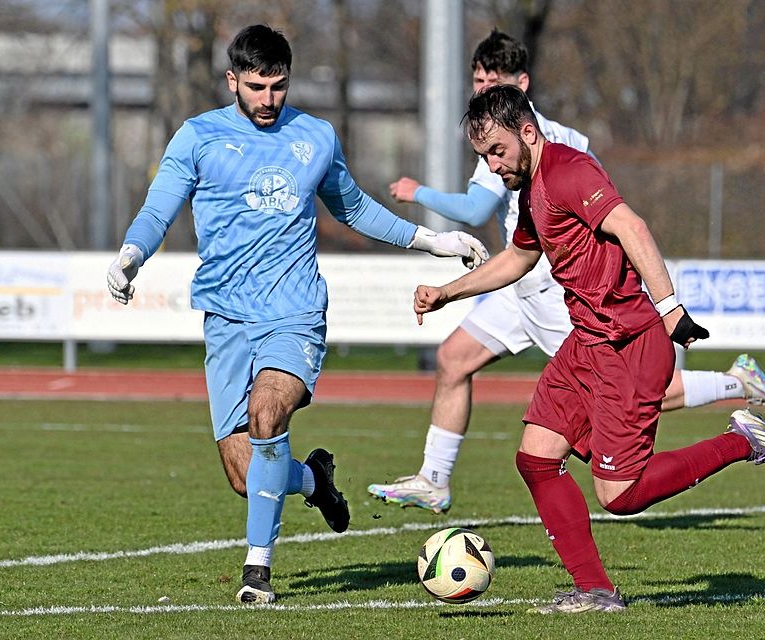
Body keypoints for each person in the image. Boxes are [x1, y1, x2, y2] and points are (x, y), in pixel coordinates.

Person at [105, 25, 488, 605]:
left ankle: (256, 570)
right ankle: (313, 479)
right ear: (232, 80)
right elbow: (159, 209)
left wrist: (432, 241)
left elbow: (353, 207)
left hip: (295, 310)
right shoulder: (198, 137)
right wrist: (131, 254)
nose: (268, 99)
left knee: (268, 413)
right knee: (245, 475)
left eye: (278, 86)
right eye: (256, 87)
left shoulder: (315, 136)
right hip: (226, 318)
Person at [413, 84, 765, 614]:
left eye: (497, 151)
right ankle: (595, 591)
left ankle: (741, 441)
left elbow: (631, 226)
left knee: (620, 495)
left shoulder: (569, 170)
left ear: (527, 132)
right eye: (484, 156)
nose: (492, 166)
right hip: (587, 343)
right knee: (536, 459)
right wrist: (448, 293)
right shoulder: (532, 190)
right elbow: (518, 258)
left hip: (628, 344)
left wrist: (670, 308)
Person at [368, 29, 765, 515]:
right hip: (523, 286)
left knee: (631, 421)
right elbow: (519, 252)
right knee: (457, 363)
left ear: (520, 87)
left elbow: (486, 211)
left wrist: (417, 193)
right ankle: (434, 479)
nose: (482, 91)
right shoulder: (509, 147)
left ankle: (737, 387)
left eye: (494, 81)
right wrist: (448, 293)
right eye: (478, 80)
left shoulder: (536, 146)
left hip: (567, 296)